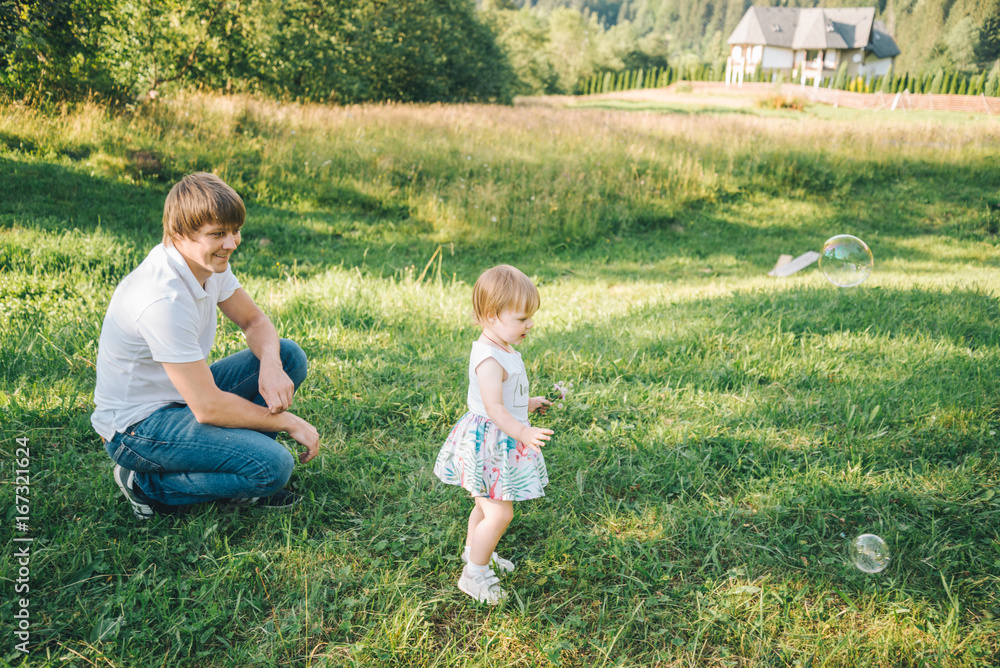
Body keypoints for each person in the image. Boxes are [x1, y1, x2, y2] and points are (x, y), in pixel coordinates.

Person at [92, 172, 320, 520]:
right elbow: (208, 407)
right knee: (274, 467)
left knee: (287, 355)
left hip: (181, 397)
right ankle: (145, 484)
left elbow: (255, 322)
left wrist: (271, 367)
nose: (232, 243)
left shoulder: (207, 264)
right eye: (218, 234)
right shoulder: (162, 299)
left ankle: (241, 470)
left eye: (234, 231)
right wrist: (287, 422)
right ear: (179, 234)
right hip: (138, 428)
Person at [433, 264, 553, 604]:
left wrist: (528, 403)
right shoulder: (488, 359)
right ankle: (474, 574)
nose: (530, 324)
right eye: (522, 318)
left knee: (486, 508)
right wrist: (523, 431)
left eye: (531, 316)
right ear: (490, 315)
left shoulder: (503, 347)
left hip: (496, 438)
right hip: (489, 444)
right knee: (500, 512)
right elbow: (495, 409)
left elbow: (507, 399)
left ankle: (475, 552)